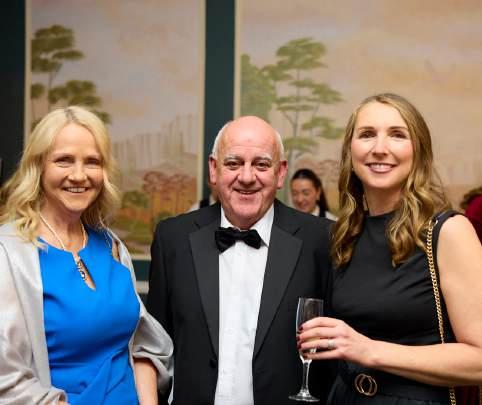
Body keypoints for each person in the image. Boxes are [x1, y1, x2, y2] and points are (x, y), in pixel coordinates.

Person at [298, 93, 482, 404]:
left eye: (397, 135)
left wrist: (370, 350)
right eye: (367, 134)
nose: (380, 148)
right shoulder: (343, 235)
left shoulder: (448, 231)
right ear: (350, 151)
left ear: (418, 151)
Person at [147, 116, 333, 404]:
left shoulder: (321, 240)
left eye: (261, 164)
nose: (246, 177)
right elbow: (154, 347)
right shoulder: (172, 239)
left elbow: (336, 355)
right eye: (233, 163)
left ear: (281, 173)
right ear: (214, 169)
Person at [0, 106, 173, 403]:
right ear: (39, 166)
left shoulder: (112, 246)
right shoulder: (9, 252)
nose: (79, 175)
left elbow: (142, 345)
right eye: (64, 160)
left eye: (92, 162)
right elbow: (6, 376)